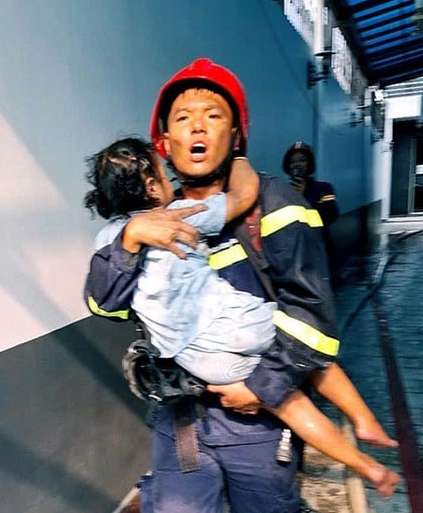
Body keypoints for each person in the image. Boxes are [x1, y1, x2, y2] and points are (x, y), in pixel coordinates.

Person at [83, 59, 399, 513]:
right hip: (186, 421)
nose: (197, 126)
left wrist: (261, 385)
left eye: (213, 114)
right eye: (182, 118)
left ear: (236, 134)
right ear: (162, 145)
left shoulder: (280, 207)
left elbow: (314, 319)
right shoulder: (148, 218)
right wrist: (131, 241)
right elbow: (103, 303)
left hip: (258, 416)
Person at [83, 134, 398, 492]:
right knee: (307, 354)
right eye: (161, 171)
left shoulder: (109, 239)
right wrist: (239, 159)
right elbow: (243, 197)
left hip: (202, 363)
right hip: (239, 324)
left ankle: (369, 469)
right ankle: (363, 420)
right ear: (153, 187)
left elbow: (102, 297)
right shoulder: (175, 216)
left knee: (289, 406)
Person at [282, 141, 339, 280]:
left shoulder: (324, 189)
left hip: (320, 252)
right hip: (294, 255)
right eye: (293, 161)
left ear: (309, 164)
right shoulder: (281, 192)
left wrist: (303, 198)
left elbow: (330, 216)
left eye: (302, 160)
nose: (297, 164)